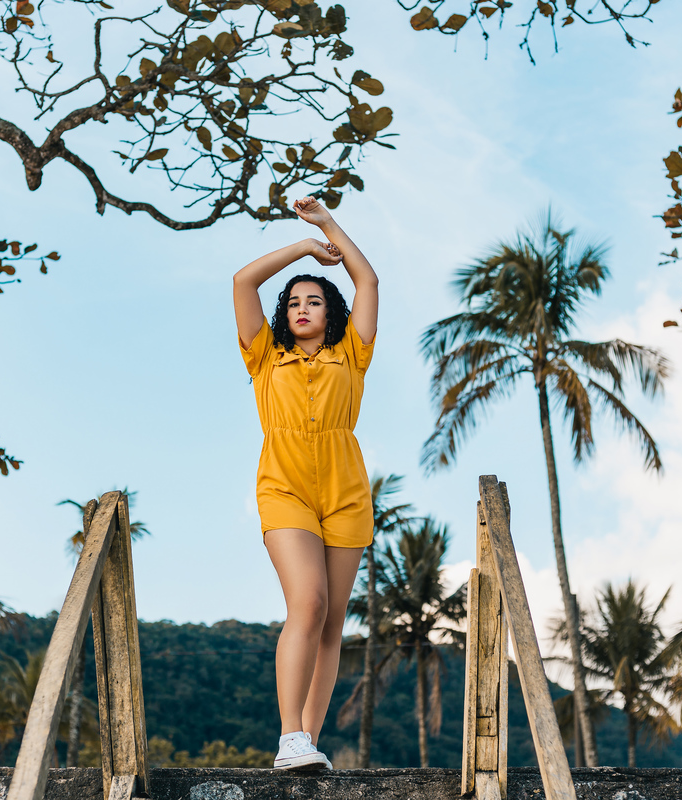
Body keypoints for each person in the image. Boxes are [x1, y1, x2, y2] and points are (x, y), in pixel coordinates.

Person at [233, 195, 379, 771]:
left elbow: (368, 280)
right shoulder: (263, 357)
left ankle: (307, 742)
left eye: (314, 299)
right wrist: (301, 249)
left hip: (346, 494)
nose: (302, 307)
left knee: (332, 622)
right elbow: (243, 282)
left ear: (331, 312)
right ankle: (288, 735)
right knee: (309, 602)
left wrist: (329, 226)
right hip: (284, 489)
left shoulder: (353, 355)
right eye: (293, 301)